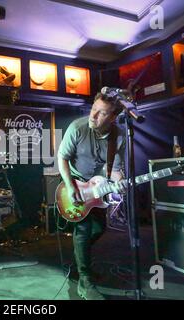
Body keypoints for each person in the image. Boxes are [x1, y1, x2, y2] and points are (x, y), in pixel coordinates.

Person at [58, 90, 126, 300]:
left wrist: (119, 182)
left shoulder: (119, 136)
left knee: (99, 228)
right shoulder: (77, 128)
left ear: (113, 117)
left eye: (101, 113)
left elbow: (114, 169)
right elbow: (62, 157)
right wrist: (71, 187)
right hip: (76, 184)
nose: (93, 116)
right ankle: (85, 280)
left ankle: (80, 263)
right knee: (84, 228)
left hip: (97, 186)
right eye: (93, 109)